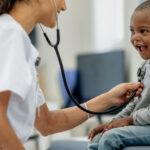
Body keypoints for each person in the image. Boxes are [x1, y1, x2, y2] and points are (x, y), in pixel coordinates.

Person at [0, 0, 143, 149]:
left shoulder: (15, 38)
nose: (64, 7)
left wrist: (108, 99)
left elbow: (47, 123)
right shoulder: (9, 34)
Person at [88, 1, 150, 150]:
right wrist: (113, 123)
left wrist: (129, 120)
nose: (135, 37)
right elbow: (136, 102)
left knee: (111, 138)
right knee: (98, 137)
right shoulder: (145, 67)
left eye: (143, 31)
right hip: (143, 124)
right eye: (132, 31)